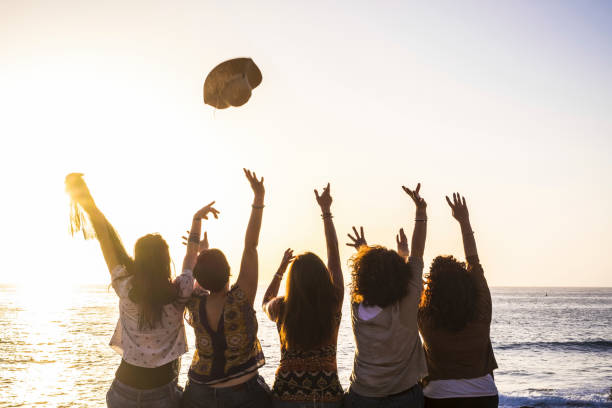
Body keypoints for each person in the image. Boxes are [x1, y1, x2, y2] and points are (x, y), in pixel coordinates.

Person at [64, 173, 218, 408]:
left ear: (138, 261)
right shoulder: (180, 292)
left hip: (123, 391)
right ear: (166, 261)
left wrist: (82, 195)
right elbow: (190, 254)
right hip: (162, 395)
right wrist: (197, 219)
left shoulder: (124, 287)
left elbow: (104, 235)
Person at [182, 169, 272, 408]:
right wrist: (258, 199)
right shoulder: (240, 299)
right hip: (243, 394)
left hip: (199, 393)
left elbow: (189, 260)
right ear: (228, 271)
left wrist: (196, 222)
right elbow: (250, 246)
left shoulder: (194, 301)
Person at [344, 183, 428, 408]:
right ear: (400, 275)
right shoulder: (408, 303)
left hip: (362, 396)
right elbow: (418, 254)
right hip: (404, 397)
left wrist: (363, 250)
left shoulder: (356, 306)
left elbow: (373, 276)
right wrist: (421, 212)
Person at [262, 183, 345, 408]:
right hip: (327, 396)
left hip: (286, 396)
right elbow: (334, 256)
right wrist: (326, 212)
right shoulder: (333, 303)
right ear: (322, 277)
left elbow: (265, 301)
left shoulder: (281, 308)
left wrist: (280, 270)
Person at [418, 193, 499, 408]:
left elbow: (414, 274)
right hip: (484, 395)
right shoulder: (482, 310)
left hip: (438, 396)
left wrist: (406, 251)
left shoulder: (425, 318)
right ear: (466, 283)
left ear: (430, 288)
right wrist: (464, 221)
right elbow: (473, 262)